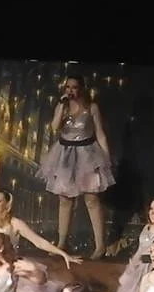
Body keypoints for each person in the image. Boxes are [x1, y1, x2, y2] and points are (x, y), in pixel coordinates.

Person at [37, 75, 114, 254]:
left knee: (91, 199)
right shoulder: (61, 106)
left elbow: (100, 133)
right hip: (64, 154)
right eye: (67, 87)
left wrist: (106, 158)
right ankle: (62, 242)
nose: (70, 91)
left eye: (74, 87)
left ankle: (100, 245)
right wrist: (61, 108)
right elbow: (55, 127)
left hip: (86, 153)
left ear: (81, 89)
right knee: (65, 199)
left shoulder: (91, 107)